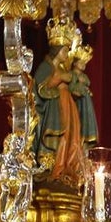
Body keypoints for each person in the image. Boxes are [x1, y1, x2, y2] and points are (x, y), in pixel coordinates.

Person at [33, 18, 87, 183]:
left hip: (66, 103)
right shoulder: (46, 66)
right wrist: (60, 78)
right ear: (57, 50)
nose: (66, 54)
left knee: (71, 134)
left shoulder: (61, 68)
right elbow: (40, 87)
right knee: (61, 134)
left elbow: (74, 85)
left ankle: (66, 168)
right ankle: (54, 167)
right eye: (65, 50)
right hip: (54, 107)